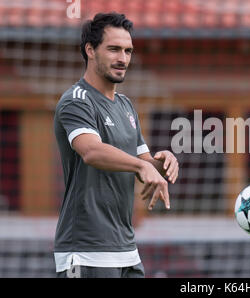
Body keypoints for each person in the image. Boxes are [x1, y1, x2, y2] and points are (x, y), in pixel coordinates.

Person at [53, 12, 179, 278]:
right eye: (114, 49)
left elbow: (144, 163)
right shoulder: (76, 101)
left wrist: (163, 162)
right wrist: (141, 167)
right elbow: (91, 151)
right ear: (90, 50)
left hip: (126, 250)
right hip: (86, 251)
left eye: (128, 51)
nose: (123, 59)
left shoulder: (126, 106)